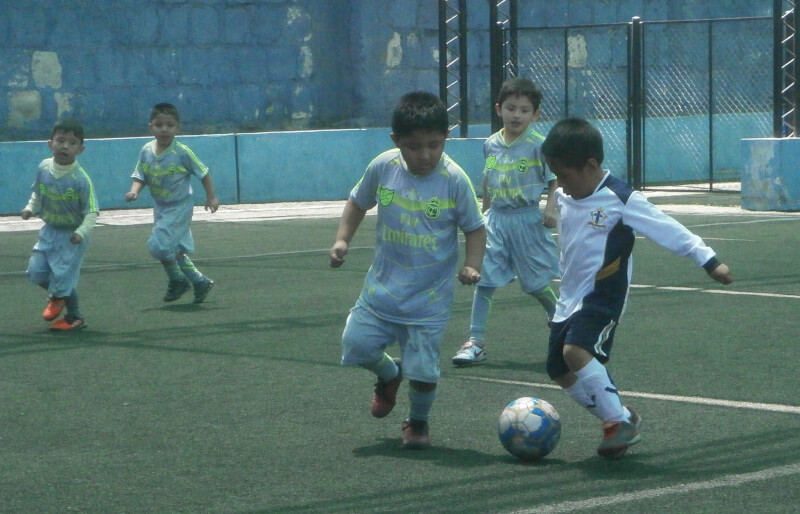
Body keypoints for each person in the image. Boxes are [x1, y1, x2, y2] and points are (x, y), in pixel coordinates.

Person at [540, 117, 733, 458]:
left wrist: (709, 260)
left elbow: (667, 227)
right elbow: (571, 249)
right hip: (570, 298)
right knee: (558, 368)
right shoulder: (567, 194)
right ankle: (620, 416)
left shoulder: (620, 198)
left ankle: (617, 424)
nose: (561, 185)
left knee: (576, 352)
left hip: (602, 295)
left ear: (591, 165)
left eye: (565, 175)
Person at [329, 91, 486, 449]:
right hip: (381, 292)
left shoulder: (454, 179)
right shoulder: (384, 167)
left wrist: (472, 265)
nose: (426, 155)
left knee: (424, 372)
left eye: (434, 144)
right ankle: (389, 373)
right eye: (415, 147)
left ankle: (417, 422)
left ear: (446, 138)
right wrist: (342, 241)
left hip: (428, 301)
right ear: (396, 141)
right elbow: (357, 201)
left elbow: (475, 228)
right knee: (356, 344)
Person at [451, 78, 560, 366]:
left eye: (524, 110)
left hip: (527, 221)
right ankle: (475, 341)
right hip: (496, 222)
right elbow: (488, 180)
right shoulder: (490, 144)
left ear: (535, 115)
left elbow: (554, 179)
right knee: (484, 280)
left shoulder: (540, 145)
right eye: (511, 108)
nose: (516, 115)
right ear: (499, 109)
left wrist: (551, 208)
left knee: (535, 283)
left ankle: (558, 316)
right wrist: (482, 217)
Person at [125, 103, 219, 303]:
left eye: (170, 125)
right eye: (159, 125)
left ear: (177, 128)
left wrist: (211, 197)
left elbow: (203, 173)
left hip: (179, 207)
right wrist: (134, 191)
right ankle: (199, 281)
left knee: (158, 246)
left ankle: (177, 279)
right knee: (174, 250)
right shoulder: (146, 151)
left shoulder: (182, 152)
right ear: (151, 127)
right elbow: (140, 175)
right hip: (160, 207)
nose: (164, 129)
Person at [21, 120, 99, 331]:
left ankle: (75, 317)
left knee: (63, 277)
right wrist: (30, 207)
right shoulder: (44, 167)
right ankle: (58, 296)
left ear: (80, 149)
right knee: (36, 272)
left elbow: (92, 211)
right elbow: (38, 192)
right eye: (60, 140)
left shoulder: (81, 179)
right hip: (49, 232)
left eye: (72, 143)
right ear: (50, 143)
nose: (65, 146)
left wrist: (81, 232)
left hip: (71, 237)